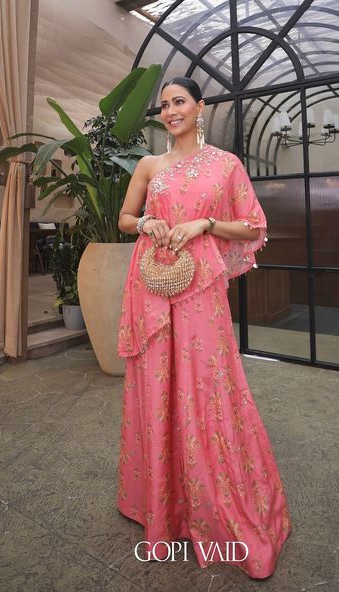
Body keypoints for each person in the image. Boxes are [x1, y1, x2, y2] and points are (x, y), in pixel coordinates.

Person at [116, 76, 291, 579]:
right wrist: (147, 224)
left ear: (201, 107)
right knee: (158, 386)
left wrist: (206, 225)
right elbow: (126, 218)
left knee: (205, 386)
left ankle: (213, 504)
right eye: (165, 105)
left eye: (180, 102)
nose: (171, 111)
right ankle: (160, 505)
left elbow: (254, 227)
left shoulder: (226, 165)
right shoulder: (150, 165)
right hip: (153, 285)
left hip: (201, 291)